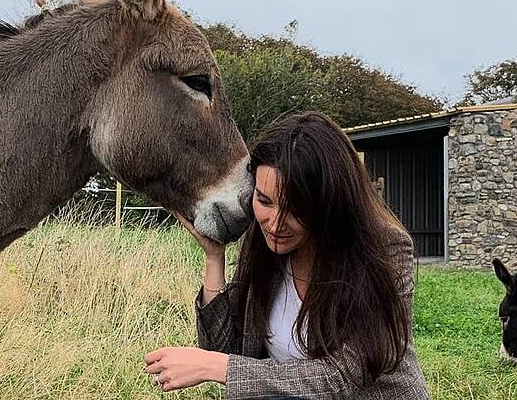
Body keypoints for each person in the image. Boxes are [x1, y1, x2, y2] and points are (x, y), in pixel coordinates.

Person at [145, 112, 430, 399]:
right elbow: (223, 350)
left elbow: (345, 376)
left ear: (331, 201)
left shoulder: (387, 248)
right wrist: (214, 258)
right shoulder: (265, 243)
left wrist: (221, 368)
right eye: (264, 201)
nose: (275, 223)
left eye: (296, 208)